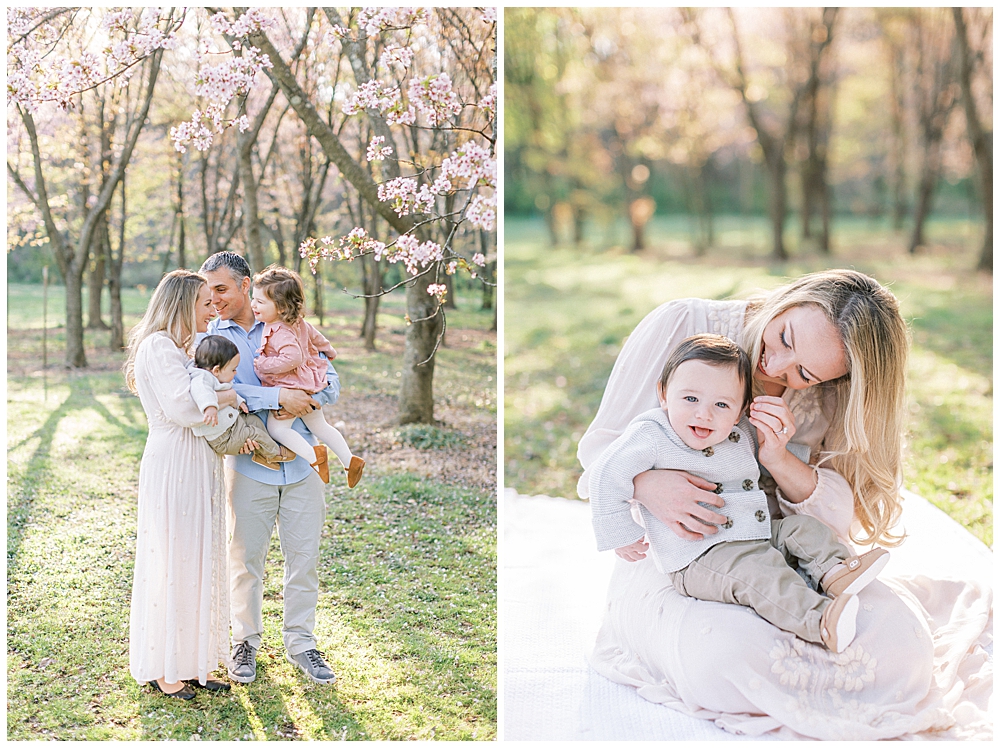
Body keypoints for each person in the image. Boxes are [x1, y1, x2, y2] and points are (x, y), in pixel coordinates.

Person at [577, 269, 991, 739]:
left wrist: (778, 459)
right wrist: (648, 485)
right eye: (783, 338)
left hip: (773, 539)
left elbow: (838, 520)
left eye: (804, 373)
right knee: (724, 656)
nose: (777, 369)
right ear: (794, 296)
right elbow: (599, 454)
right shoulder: (682, 324)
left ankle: (830, 601)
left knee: (902, 644)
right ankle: (810, 628)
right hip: (682, 549)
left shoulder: (833, 392)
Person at [589, 334, 888, 654]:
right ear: (664, 394)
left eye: (721, 404)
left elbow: (768, 459)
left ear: (740, 411)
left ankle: (836, 572)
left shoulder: (739, 432)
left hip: (755, 533)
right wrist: (621, 533)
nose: (704, 414)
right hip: (701, 555)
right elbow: (606, 474)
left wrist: (787, 451)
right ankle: (819, 620)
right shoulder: (651, 433)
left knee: (801, 529)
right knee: (760, 575)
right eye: (690, 399)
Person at [200, 251, 340, 686]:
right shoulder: (210, 335)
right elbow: (218, 387)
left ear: (245, 285)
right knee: (245, 559)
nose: (214, 299)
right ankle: (245, 641)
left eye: (221, 289)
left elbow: (331, 382)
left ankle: (302, 642)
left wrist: (312, 392)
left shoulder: (288, 316)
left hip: (304, 462)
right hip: (248, 464)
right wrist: (279, 398)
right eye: (208, 292)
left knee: (304, 558)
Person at [124, 269, 235, 699]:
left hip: (197, 461)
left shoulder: (183, 349)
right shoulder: (158, 347)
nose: (214, 309)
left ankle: (192, 662)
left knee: (197, 556)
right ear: (182, 305)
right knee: (173, 559)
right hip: (173, 461)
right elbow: (187, 410)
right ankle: (163, 667)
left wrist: (220, 392)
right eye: (206, 303)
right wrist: (228, 394)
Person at [250, 266, 365, 487]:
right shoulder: (298, 322)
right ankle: (350, 461)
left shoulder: (278, 330)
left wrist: (264, 365)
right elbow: (317, 337)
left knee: (278, 429)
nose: (254, 305)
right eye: (253, 299)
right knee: (320, 426)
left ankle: (315, 458)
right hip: (308, 382)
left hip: (292, 385)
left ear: (282, 307)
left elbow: (292, 357)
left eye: (260, 302)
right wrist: (329, 351)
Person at [189, 334, 296, 470]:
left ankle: (263, 454)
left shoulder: (218, 377)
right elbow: (201, 392)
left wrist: (239, 402)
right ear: (216, 370)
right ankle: (275, 453)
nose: (235, 373)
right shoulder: (201, 378)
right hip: (223, 438)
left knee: (254, 421)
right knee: (253, 433)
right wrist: (209, 407)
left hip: (232, 426)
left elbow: (229, 389)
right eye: (233, 369)